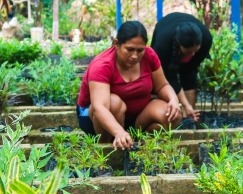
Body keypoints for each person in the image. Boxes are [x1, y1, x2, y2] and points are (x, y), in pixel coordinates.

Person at [77, 21, 182, 149]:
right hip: (95, 118)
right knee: (113, 102)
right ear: (116, 44)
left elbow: (162, 86)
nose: (135, 56)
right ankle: (105, 147)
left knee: (171, 114)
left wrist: (174, 100)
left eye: (140, 50)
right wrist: (118, 131)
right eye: (130, 49)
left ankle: (133, 142)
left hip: (137, 118)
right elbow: (100, 107)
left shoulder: (149, 55)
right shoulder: (102, 65)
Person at [150, 12, 212, 122]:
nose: (192, 54)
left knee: (189, 76)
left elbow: (190, 69)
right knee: (158, 80)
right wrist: (184, 103)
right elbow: (168, 77)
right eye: (188, 51)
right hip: (165, 26)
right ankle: (160, 114)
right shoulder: (162, 46)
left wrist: (187, 106)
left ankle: (187, 119)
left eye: (195, 51)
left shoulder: (206, 39)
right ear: (178, 44)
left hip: (187, 38)